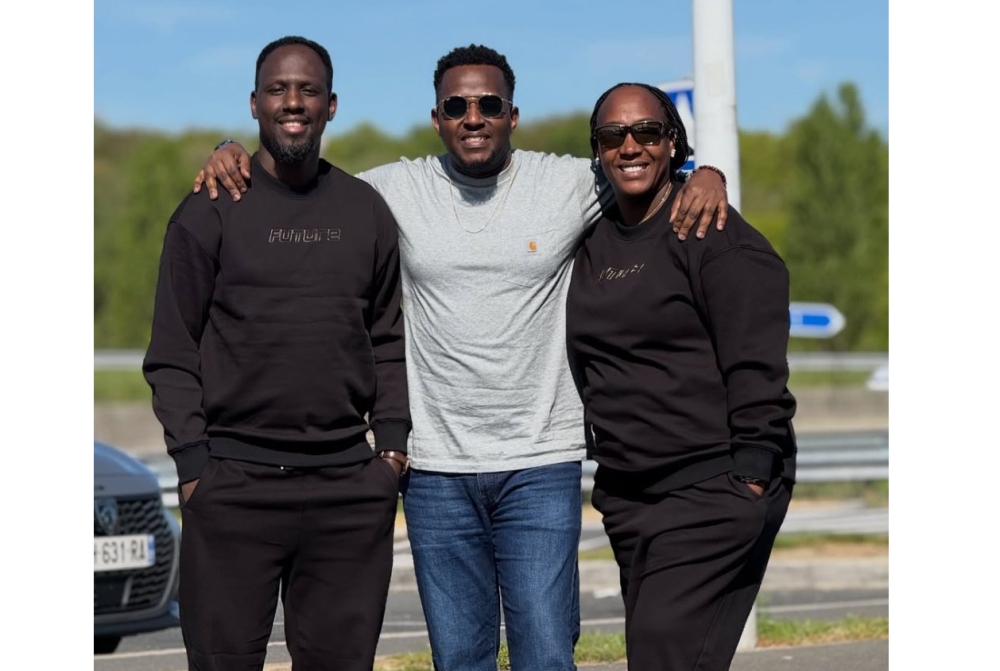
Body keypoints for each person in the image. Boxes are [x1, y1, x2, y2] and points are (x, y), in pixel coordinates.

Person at [192, 45, 729, 671]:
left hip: (540, 463)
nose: (473, 117)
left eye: (488, 104)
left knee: (546, 656)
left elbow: (641, 164)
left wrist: (705, 172)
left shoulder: (568, 184)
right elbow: (298, 176)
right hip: (434, 470)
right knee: (459, 659)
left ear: (513, 115)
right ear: (438, 117)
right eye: (457, 105)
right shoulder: (388, 191)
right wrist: (231, 150)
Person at [142, 36, 410, 671]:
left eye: (308, 90)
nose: (294, 102)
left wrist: (390, 454)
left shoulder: (366, 211)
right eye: (278, 90)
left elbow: (390, 339)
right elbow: (172, 351)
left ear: (332, 105)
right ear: (255, 104)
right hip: (232, 487)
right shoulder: (208, 211)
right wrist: (195, 467)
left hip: (348, 489)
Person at [565, 81, 797, 671]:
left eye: (647, 131)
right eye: (613, 135)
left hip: (710, 488)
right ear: (597, 149)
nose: (630, 146)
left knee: (664, 656)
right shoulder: (591, 236)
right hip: (630, 496)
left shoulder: (708, 231)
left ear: (673, 143)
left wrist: (748, 476)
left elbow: (756, 360)